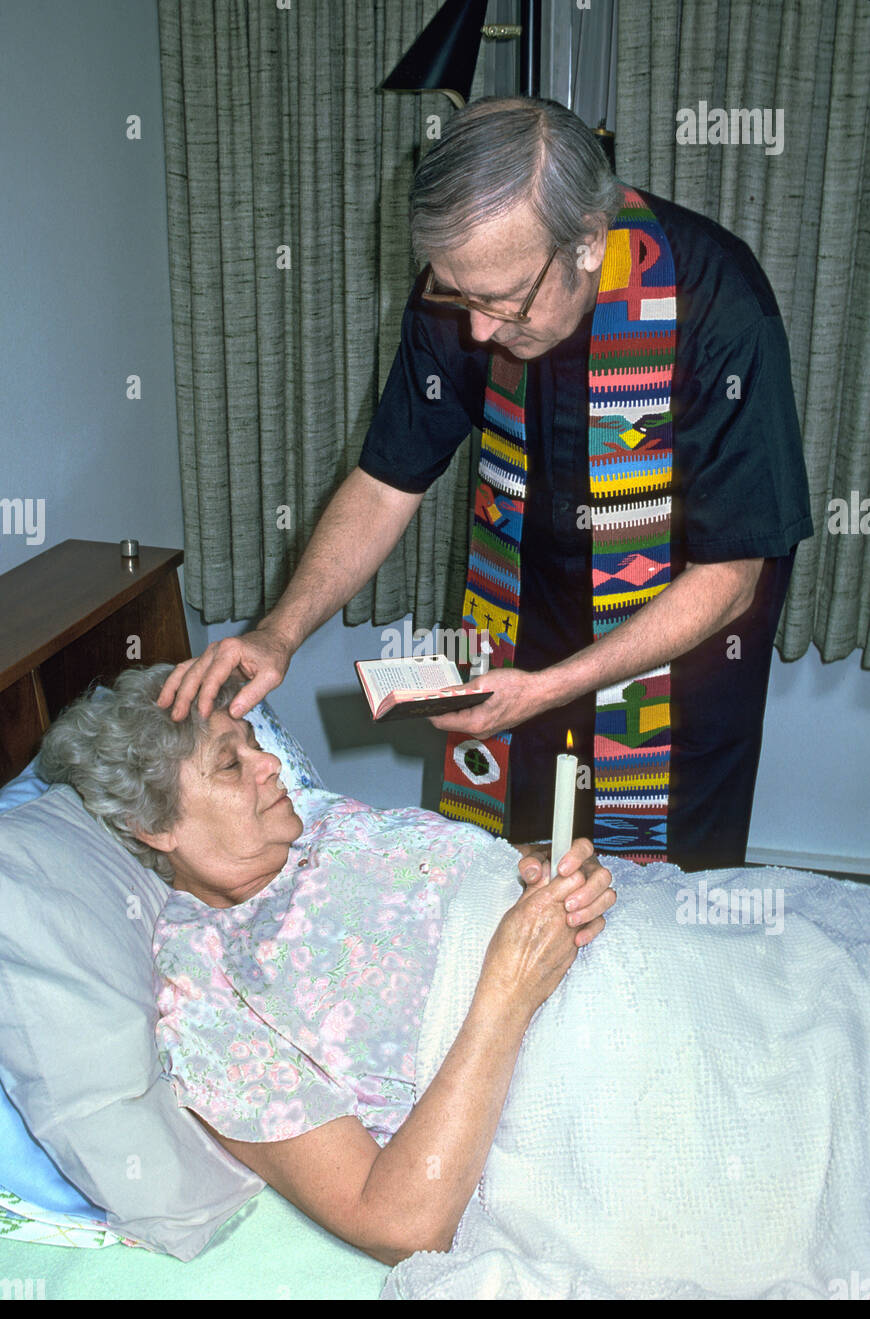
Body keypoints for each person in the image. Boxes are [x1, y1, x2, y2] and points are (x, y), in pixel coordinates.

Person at [158, 97, 813, 873]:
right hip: (520, 631)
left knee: (660, 900)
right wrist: (279, 631)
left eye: (503, 303)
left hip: (680, 655)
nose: (475, 332)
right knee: (515, 866)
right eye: (457, 296)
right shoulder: (467, 283)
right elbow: (384, 482)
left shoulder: (719, 303)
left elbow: (732, 578)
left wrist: (560, 686)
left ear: (588, 244)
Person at [39, 665, 615, 1266]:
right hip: (585, 1077)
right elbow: (399, 1224)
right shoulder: (207, 990)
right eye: (232, 765)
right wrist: (511, 989)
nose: (273, 767)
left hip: (627, 940)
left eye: (258, 748)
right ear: (155, 827)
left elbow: (486, 870)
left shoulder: (326, 821)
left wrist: (554, 871)